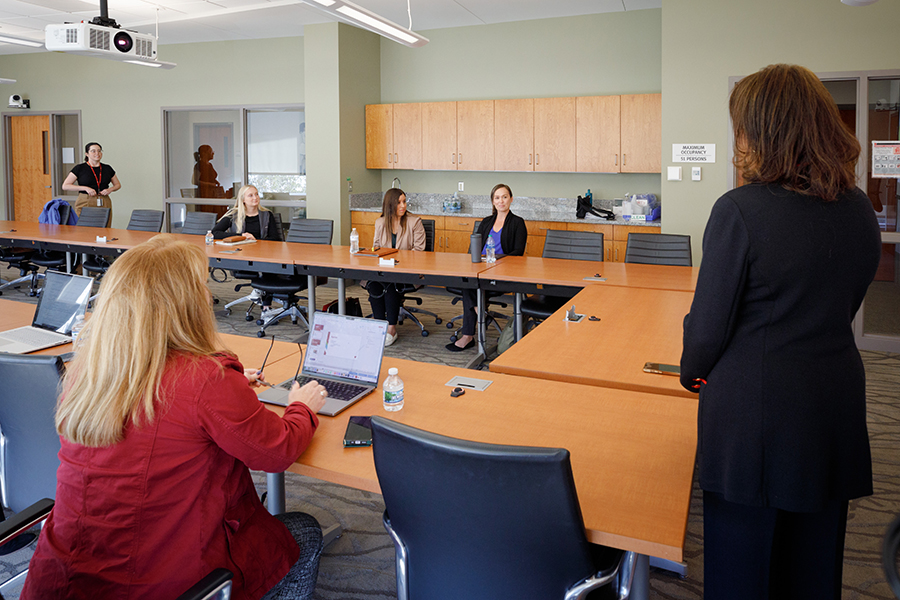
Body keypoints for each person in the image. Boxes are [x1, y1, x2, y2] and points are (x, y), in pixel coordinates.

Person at [21, 235, 329, 600]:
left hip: (63, 581)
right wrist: (302, 407)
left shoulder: (88, 373)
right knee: (305, 532)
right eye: (201, 287)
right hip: (164, 582)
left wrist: (228, 385)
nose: (207, 296)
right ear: (186, 303)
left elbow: (159, 396)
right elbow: (275, 452)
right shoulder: (205, 381)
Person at [679, 64, 882, 600]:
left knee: (742, 572)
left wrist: (690, 372)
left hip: (755, 422)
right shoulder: (861, 209)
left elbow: (706, 331)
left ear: (765, 131)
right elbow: (844, 302)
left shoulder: (740, 211)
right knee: (814, 569)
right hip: (832, 407)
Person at [446, 183, 526, 352]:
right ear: (492, 201)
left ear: (511, 199)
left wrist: (497, 259)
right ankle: (481, 314)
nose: (501, 201)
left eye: (504, 197)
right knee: (464, 282)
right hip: (479, 268)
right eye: (497, 198)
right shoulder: (486, 222)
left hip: (502, 272)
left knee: (469, 287)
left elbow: (518, 252)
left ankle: (468, 336)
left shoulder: (518, 223)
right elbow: (475, 247)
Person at [366, 187, 426, 347]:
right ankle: (380, 325)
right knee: (374, 282)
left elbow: (419, 251)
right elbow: (376, 247)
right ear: (389, 205)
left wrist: (397, 261)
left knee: (390, 283)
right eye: (399, 202)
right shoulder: (380, 222)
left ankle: (391, 328)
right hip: (385, 268)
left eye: (404, 201)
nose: (403, 205)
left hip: (408, 271)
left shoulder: (415, 222)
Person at [62, 142, 121, 221]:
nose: (97, 153)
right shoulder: (80, 168)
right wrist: (86, 188)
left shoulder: (107, 168)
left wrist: (109, 190)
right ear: (87, 154)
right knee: (85, 227)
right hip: (85, 199)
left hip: (104, 200)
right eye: (93, 151)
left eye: (99, 151)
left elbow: (117, 185)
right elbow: (65, 186)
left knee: (104, 226)